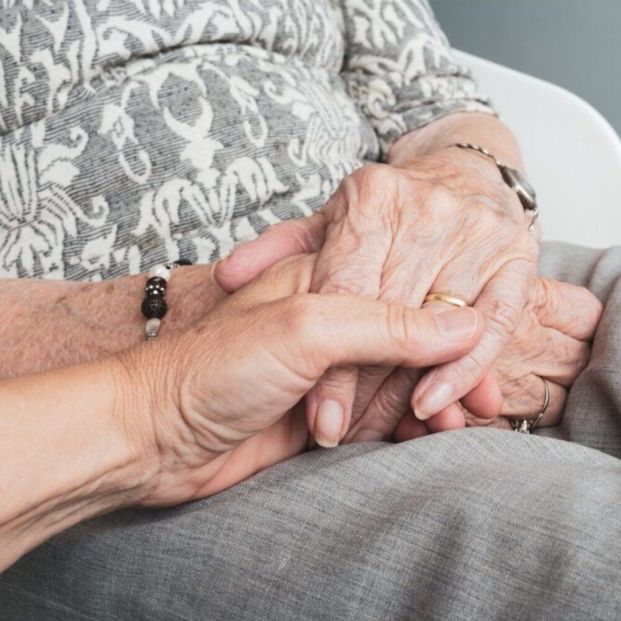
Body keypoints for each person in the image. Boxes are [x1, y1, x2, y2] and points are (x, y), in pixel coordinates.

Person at [0, 0, 619, 618]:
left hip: (416, 265)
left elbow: (440, 103)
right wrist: (193, 322)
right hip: (98, 400)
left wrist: (455, 201)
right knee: (587, 554)